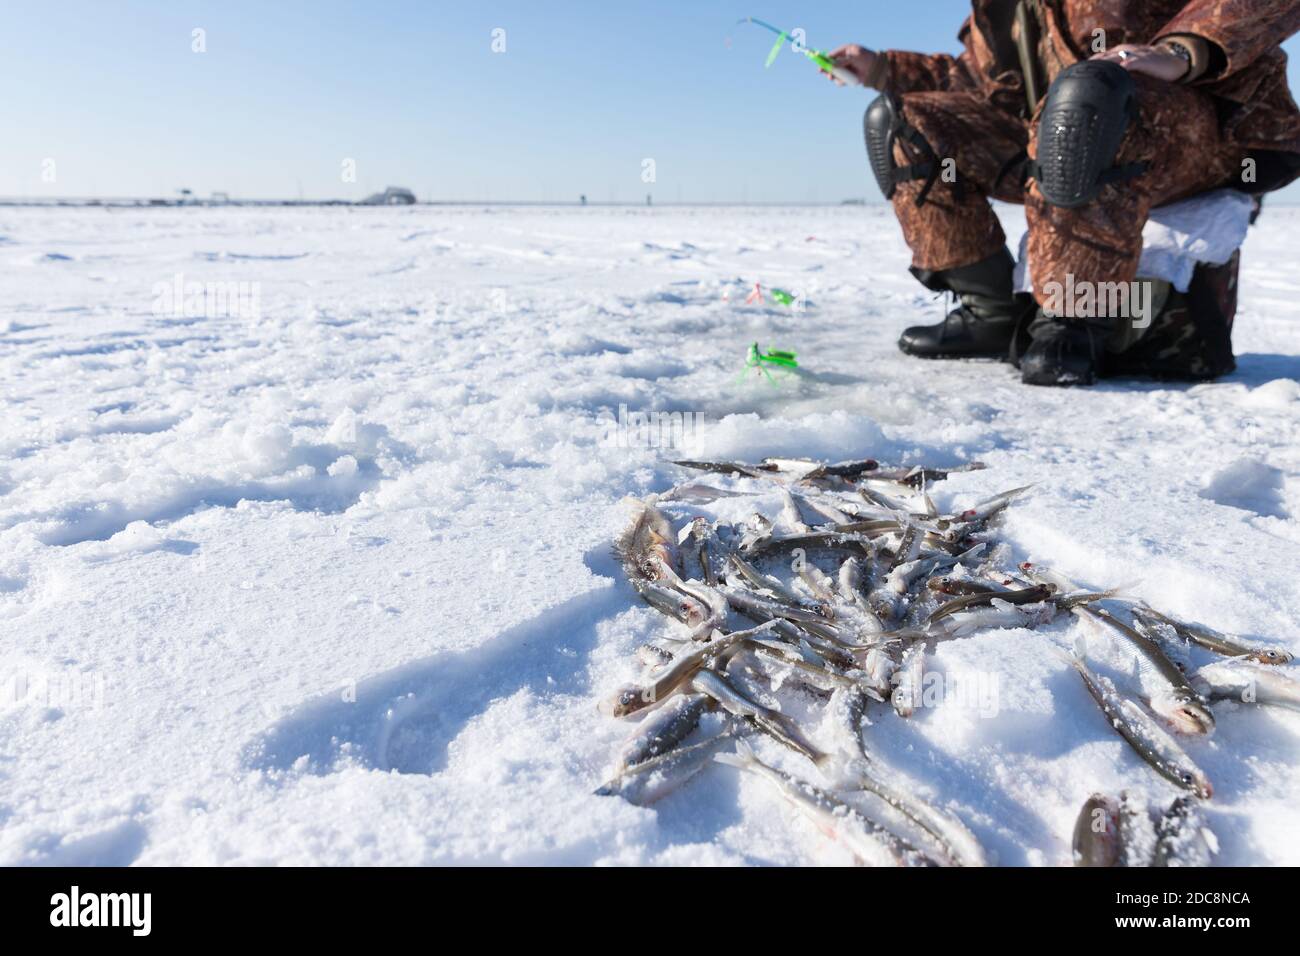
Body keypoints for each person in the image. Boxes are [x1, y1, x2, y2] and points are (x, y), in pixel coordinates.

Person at [828, 1, 1300, 385]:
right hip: (1059, 135)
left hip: (1204, 132)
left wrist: (1183, 51)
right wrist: (883, 69)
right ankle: (990, 311)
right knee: (902, 123)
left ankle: (1075, 318)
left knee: (1088, 95)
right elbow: (979, 84)